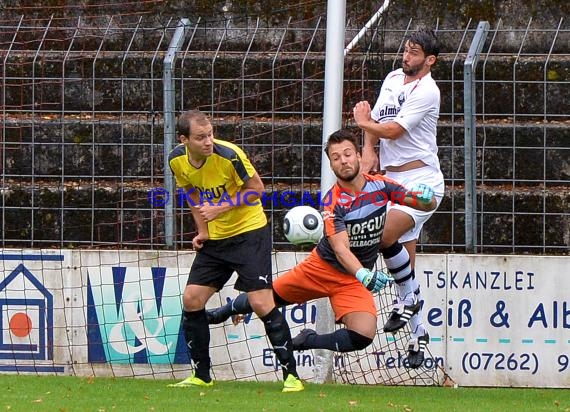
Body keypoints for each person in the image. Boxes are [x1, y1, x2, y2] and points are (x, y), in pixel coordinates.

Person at [207, 129, 437, 368]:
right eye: (336, 158)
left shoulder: (382, 186)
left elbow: (420, 202)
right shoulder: (332, 201)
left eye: (347, 154)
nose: (343, 161)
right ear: (331, 165)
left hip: (352, 280)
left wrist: (427, 198)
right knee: (267, 297)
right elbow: (340, 249)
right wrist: (364, 274)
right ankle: (225, 309)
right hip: (322, 269)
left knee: (363, 335)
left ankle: (310, 340)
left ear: (359, 156)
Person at [166, 110, 303, 392]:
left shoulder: (230, 155)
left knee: (262, 303)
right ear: (184, 139)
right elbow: (190, 192)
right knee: (192, 299)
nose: (208, 142)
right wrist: (203, 230)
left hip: (249, 233)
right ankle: (201, 375)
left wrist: (221, 207)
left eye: (211, 134)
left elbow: (257, 189)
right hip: (216, 239)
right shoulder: (176, 160)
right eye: (200, 137)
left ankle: (292, 376)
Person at [352, 28, 445, 366]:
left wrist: (363, 123)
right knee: (405, 261)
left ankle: (409, 300)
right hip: (390, 179)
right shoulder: (392, 77)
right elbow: (377, 122)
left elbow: (391, 129)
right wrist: (367, 150)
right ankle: (418, 334)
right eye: (406, 50)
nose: (407, 57)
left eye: (415, 53)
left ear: (429, 60)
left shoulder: (428, 91)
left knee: (380, 233)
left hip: (421, 182)